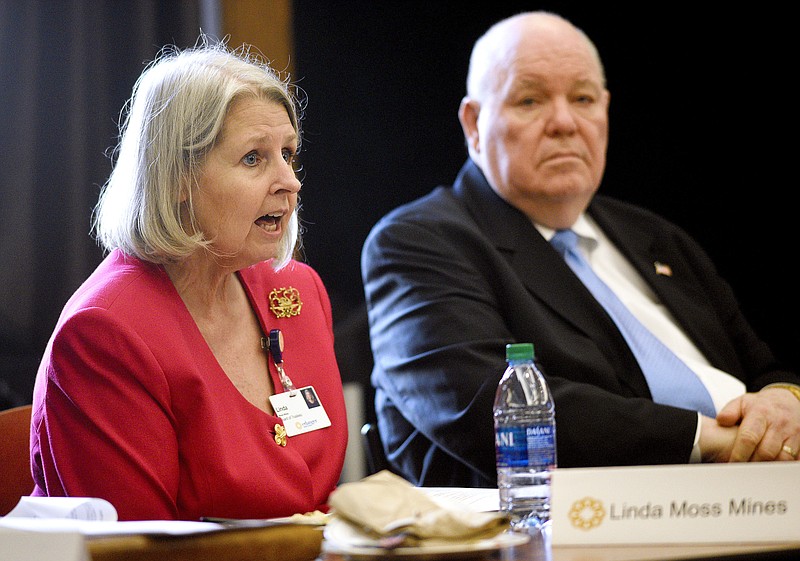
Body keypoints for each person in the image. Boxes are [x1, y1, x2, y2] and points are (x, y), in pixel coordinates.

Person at [361, 11, 800, 488]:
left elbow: (764, 369)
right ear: (474, 122)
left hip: (764, 493)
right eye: (530, 100)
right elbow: (492, 408)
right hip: (583, 523)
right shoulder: (419, 242)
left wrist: (784, 404)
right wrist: (717, 439)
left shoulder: (653, 235)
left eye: (583, 99)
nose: (565, 123)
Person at [30, 39, 348, 520]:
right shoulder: (105, 333)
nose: (290, 181)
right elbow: (135, 549)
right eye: (253, 159)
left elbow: (317, 496)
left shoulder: (300, 292)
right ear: (176, 178)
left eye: (288, 153)